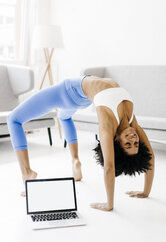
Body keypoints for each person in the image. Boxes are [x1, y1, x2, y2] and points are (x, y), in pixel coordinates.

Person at [7, 75, 154, 211]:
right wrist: (145, 192)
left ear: (116, 141)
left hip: (68, 92)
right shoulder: (131, 123)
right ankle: (75, 160)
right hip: (82, 98)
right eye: (136, 144)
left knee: (13, 119)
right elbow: (150, 156)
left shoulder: (107, 126)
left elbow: (109, 167)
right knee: (64, 116)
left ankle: (27, 173)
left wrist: (109, 204)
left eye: (127, 144)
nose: (133, 139)